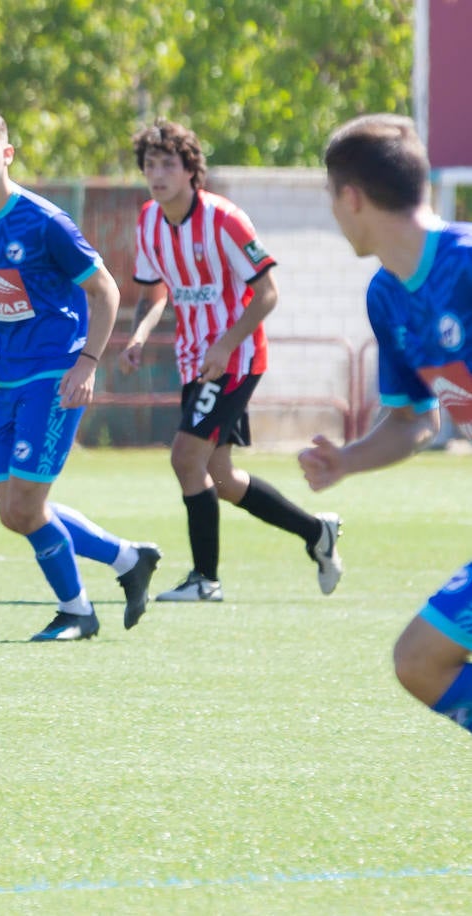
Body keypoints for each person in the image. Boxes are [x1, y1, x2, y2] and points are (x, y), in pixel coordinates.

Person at [0, 108, 161, 641]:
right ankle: (128, 559)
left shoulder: (44, 222)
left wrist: (86, 363)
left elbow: (105, 289)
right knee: (13, 512)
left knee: (26, 505)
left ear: (6, 153)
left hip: (55, 373)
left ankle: (77, 611)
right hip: (8, 378)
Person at [118, 118, 343, 603]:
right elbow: (155, 287)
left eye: (168, 164)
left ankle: (205, 579)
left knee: (185, 457)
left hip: (236, 358)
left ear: (190, 170)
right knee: (220, 477)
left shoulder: (224, 219)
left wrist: (225, 343)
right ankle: (316, 533)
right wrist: (139, 333)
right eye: (150, 164)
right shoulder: (149, 220)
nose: (157, 174)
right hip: (194, 361)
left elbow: (266, 293)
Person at [304, 113, 472, 736]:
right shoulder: (388, 295)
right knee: (421, 661)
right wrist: (347, 460)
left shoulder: (469, 265)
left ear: (351, 197)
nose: (334, 212)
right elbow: (413, 422)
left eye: (330, 197)